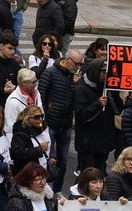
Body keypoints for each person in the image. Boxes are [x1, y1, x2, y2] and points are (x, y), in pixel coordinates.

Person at [38, 48, 83, 193]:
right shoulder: (50, 73)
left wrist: (76, 85)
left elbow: (75, 100)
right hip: (51, 124)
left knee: (62, 162)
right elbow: (42, 97)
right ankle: (44, 189)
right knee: (47, 161)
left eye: (80, 65)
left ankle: (57, 191)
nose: (78, 67)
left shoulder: (73, 77)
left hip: (66, 124)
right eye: (76, 64)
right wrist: (43, 120)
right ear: (67, 60)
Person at [74, 58, 123, 175]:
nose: (106, 75)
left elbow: (118, 110)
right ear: (95, 71)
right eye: (103, 72)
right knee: (88, 176)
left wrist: (115, 93)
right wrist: (97, 104)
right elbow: (82, 115)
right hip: (87, 144)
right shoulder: (82, 89)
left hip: (104, 143)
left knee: (99, 176)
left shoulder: (108, 89)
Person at [10, 104, 53, 176]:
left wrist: (52, 156)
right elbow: (18, 154)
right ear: (28, 118)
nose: (40, 119)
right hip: (27, 174)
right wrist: (39, 150)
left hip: (42, 171)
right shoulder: (20, 133)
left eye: (41, 116)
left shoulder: (43, 127)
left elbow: (48, 141)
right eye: (36, 117)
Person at [4, 68, 43, 143]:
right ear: (24, 83)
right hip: (22, 142)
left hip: (38, 137)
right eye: (33, 82)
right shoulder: (13, 101)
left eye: (36, 81)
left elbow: (42, 117)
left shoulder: (37, 94)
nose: (36, 84)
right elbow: (9, 128)